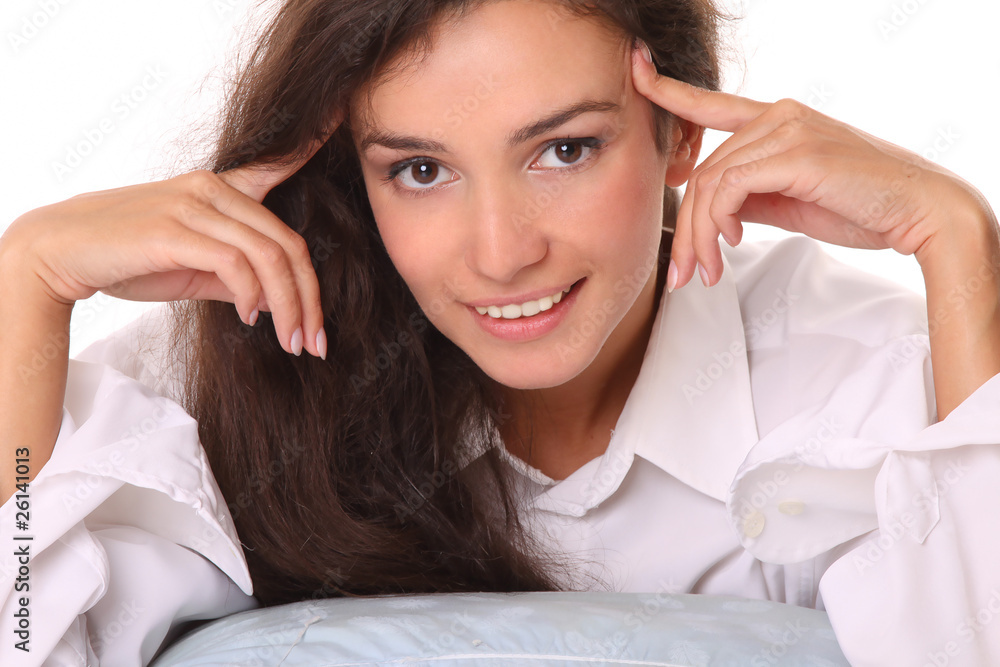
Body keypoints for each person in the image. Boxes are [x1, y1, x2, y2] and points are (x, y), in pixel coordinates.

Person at [2, 0, 999, 664]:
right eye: (420, 170)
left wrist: (958, 244)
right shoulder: (237, 370)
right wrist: (26, 285)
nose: (500, 252)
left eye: (563, 149)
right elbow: (17, 618)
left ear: (680, 136)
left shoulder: (869, 383)